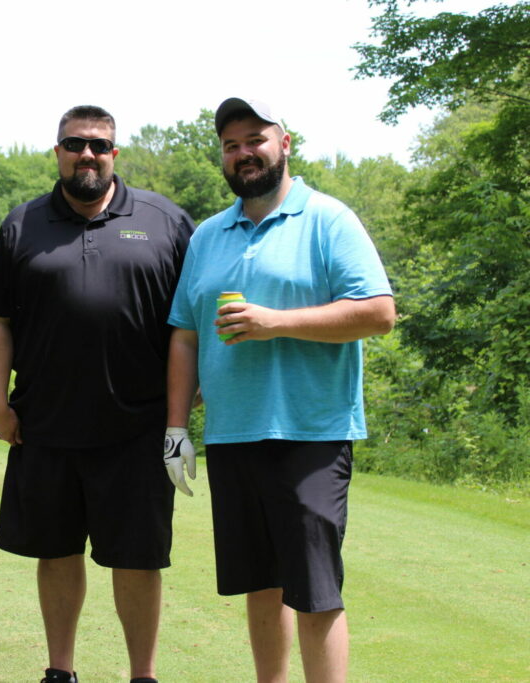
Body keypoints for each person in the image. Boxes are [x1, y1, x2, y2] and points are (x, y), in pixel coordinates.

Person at [165, 97, 396, 683]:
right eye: (230, 144)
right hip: (234, 432)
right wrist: (175, 430)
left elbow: (378, 313)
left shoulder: (328, 219)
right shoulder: (208, 236)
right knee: (260, 583)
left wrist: (278, 321)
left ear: (284, 142)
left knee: (315, 589)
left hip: (311, 433)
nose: (243, 153)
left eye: (254, 139)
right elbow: (186, 336)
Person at [0, 105, 195, 683]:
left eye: (99, 145)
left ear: (115, 153)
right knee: (56, 551)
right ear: (58, 151)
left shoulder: (165, 221)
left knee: (138, 558)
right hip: (46, 424)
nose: (88, 155)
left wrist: (184, 408)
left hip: (139, 428)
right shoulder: (22, 225)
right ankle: (60, 671)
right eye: (75, 144)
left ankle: (142, 676)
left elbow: (189, 326)